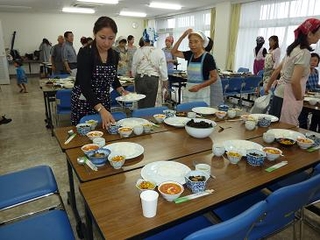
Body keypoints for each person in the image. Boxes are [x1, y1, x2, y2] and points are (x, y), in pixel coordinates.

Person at [71, 16, 127, 128]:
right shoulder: (85, 53)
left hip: (104, 101)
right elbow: (84, 86)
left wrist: (122, 91)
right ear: (94, 34)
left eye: (111, 38)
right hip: (84, 101)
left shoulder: (114, 55)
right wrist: (101, 110)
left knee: (105, 133)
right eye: (102, 37)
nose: (106, 43)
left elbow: (113, 77)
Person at [265, 18, 320, 126]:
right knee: (285, 131)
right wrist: (300, 98)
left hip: (279, 93)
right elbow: (295, 81)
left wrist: (268, 86)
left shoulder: (293, 49)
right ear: (309, 34)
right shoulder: (304, 53)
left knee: (274, 128)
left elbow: (277, 70)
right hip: (289, 96)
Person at [171, 29, 220, 105]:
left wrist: (199, 86)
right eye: (190, 42)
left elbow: (214, 77)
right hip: (189, 90)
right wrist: (182, 36)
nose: (192, 45)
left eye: (196, 42)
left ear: (202, 43)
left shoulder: (208, 57)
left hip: (202, 92)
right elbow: (173, 52)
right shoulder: (190, 54)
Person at [131, 28, 168, 108]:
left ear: (143, 39)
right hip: (153, 79)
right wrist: (165, 86)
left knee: (140, 102)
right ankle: (149, 118)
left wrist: (135, 76)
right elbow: (163, 71)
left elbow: (133, 69)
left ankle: (140, 118)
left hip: (139, 79)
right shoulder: (159, 52)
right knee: (152, 104)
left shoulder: (138, 51)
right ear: (154, 39)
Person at [299, 53, 320, 130]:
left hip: (314, 98)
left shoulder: (316, 72)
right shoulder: (304, 71)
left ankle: (313, 129)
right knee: (303, 115)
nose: (313, 62)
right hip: (304, 98)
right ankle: (303, 129)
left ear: (318, 63)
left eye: (315, 61)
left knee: (317, 114)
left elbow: (315, 84)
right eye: (311, 60)